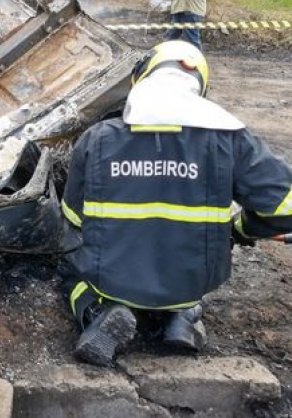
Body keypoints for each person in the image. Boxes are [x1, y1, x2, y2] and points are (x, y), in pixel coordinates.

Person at [60, 40, 292, 367]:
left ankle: (99, 313)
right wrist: (240, 228)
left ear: (142, 79)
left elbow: (72, 217)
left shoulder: (98, 138)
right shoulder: (230, 139)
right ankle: (183, 316)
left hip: (112, 280)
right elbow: (286, 210)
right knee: (185, 276)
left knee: (66, 266)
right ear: (200, 88)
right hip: (190, 280)